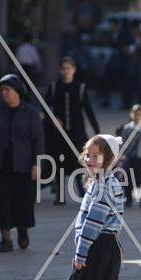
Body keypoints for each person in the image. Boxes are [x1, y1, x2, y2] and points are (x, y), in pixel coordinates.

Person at [53, 134, 124, 280]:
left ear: (109, 159)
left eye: (96, 156)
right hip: (111, 247)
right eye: (88, 154)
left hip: (97, 248)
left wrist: (81, 254)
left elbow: (93, 224)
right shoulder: (107, 181)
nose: (90, 159)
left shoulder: (102, 185)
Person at [0, 74, 45, 252]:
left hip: (23, 166)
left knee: (23, 202)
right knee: (0, 202)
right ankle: (6, 239)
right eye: (2, 90)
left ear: (17, 92)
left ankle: (22, 230)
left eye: (7, 90)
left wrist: (37, 163)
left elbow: (38, 140)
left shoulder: (31, 113)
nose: (4, 93)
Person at [44, 56, 100, 204]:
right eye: (63, 68)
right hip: (58, 134)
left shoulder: (80, 88)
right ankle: (60, 196)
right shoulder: (54, 87)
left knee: (78, 161)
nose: (66, 71)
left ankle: (82, 192)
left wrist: (97, 131)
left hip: (77, 133)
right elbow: (44, 108)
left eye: (68, 68)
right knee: (59, 162)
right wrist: (52, 118)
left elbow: (89, 111)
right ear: (60, 70)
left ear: (74, 70)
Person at [120, 104, 141, 208]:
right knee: (128, 178)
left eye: (140, 114)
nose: (138, 116)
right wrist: (122, 155)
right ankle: (129, 198)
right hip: (130, 156)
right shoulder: (127, 128)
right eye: (135, 114)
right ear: (131, 115)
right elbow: (123, 142)